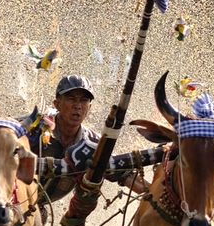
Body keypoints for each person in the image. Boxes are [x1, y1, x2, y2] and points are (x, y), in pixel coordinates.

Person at [28, 74, 145, 206]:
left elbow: (123, 173)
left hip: (39, 207)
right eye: (71, 99)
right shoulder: (33, 128)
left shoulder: (92, 144)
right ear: (57, 104)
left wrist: (156, 194)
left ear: (89, 108)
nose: (77, 106)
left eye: (83, 100)